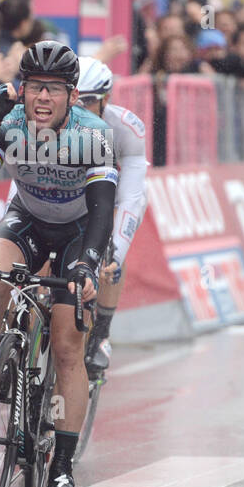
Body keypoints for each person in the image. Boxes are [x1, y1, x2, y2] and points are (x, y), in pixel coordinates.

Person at [0, 41, 118, 487]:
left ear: (72, 95)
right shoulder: (10, 124)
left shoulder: (94, 134)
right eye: (33, 87)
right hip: (27, 217)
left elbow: (102, 212)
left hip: (77, 231)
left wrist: (88, 263)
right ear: (20, 89)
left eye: (53, 89)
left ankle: (63, 466)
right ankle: (12, 354)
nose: (41, 98)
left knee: (68, 347)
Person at [70, 58, 148, 379]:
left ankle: (101, 330)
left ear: (106, 100)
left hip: (104, 202)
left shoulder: (125, 129)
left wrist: (116, 248)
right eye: (76, 98)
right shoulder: (44, 123)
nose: (81, 109)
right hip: (59, 202)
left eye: (90, 101)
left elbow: (132, 198)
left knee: (111, 253)